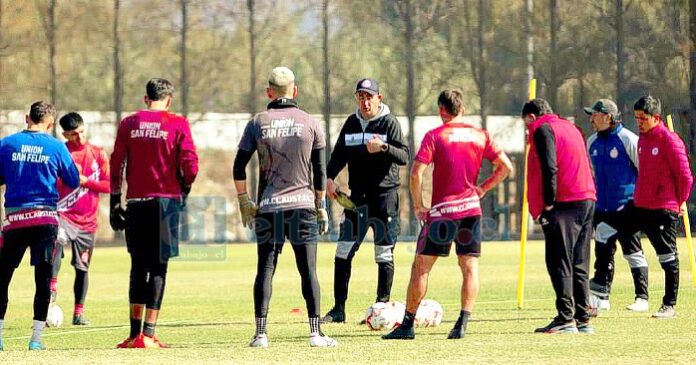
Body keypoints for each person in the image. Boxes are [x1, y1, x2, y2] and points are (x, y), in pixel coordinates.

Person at [383, 89, 512, 340]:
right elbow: (505, 166)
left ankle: (408, 325)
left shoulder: (435, 136)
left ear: (442, 109)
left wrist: (420, 205)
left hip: (443, 213)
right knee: (469, 267)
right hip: (472, 211)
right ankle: (462, 324)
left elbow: (415, 173)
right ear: (462, 109)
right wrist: (483, 188)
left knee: (421, 267)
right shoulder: (480, 135)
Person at [233, 66, 337, 348]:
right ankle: (316, 333)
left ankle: (261, 334)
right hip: (302, 206)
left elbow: (238, 166)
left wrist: (244, 201)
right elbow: (319, 170)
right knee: (308, 270)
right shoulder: (311, 123)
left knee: (265, 269)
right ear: (295, 90)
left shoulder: (257, 122)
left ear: (269, 92)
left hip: (268, 207)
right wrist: (321, 205)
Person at [110, 78, 199, 348]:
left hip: (136, 202)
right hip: (166, 203)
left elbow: (117, 161)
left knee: (138, 267)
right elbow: (191, 164)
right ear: (168, 100)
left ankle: (133, 333)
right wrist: (184, 187)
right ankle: (148, 334)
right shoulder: (178, 123)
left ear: (146, 98)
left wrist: (115, 200)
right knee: (159, 267)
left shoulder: (129, 124)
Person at [321, 78, 409, 323]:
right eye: (361, 96)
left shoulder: (389, 123)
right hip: (356, 199)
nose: (365, 101)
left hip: (384, 200)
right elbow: (338, 155)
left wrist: (383, 147)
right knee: (342, 252)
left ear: (379, 98)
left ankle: (381, 310)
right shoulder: (351, 123)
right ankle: (338, 310)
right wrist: (328, 178)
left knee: (383, 255)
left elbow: (404, 155)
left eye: (370, 96)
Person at [0, 101, 80, 350]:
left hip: (14, 220)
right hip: (45, 220)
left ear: (27, 118)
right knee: (43, 280)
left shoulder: (6, 144)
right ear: (50, 122)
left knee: (2, 279)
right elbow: (73, 180)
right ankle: (35, 340)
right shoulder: (56, 146)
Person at [522, 98, 597, 334]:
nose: (527, 130)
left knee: (558, 260)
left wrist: (548, 202)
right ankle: (582, 317)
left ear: (532, 117)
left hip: (565, 202)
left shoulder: (543, 129)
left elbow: (549, 166)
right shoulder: (571, 127)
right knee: (579, 261)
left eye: (526, 125)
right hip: (586, 197)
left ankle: (565, 317)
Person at [622, 96, 693, 319]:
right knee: (619, 231)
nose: (639, 123)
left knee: (667, 256)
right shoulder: (642, 140)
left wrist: (677, 202)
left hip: (663, 207)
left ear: (656, 118)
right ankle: (634, 295)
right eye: (636, 118)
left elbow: (685, 176)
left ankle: (669, 304)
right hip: (641, 203)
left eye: (643, 118)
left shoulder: (670, 140)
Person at [584, 99, 649, 314]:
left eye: (595, 114)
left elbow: (644, 171)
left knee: (632, 251)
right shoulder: (591, 141)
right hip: (602, 208)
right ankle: (602, 296)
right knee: (603, 251)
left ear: (608, 117)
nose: (591, 118)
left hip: (627, 207)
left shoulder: (628, 139)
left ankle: (642, 297)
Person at [50, 112, 110, 326]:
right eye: (74, 134)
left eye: (82, 132)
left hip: (87, 222)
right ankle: (51, 291)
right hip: (62, 215)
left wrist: (84, 181)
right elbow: (52, 183)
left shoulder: (98, 154)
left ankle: (78, 313)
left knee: (82, 268)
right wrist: (68, 178)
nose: (80, 137)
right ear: (65, 134)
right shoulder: (60, 153)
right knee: (55, 242)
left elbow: (108, 185)